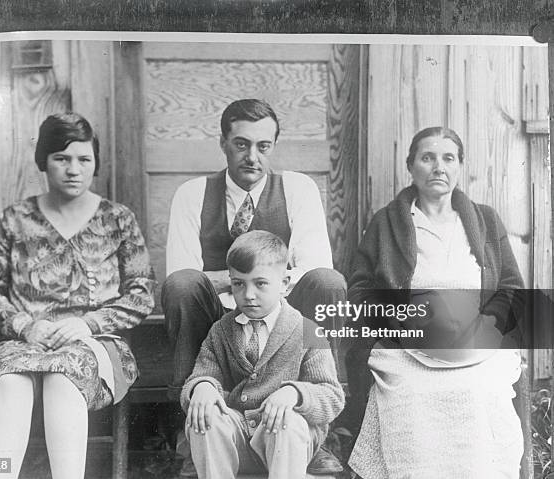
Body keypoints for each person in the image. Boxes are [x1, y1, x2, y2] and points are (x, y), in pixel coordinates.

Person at [163, 99, 346, 474]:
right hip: (217, 320)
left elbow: (314, 267)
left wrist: (257, 286)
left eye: (263, 146)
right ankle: (193, 422)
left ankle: (320, 432)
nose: (252, 156)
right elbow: (183, 273)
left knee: (328, 283)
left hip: (283, 318)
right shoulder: (193, 193)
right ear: (223, 143)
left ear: (273, 147)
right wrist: (257, 280)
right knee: (182, 286)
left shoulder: (297, 188)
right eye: (241, 144)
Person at [0, 113, 156, 479]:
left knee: (62, 377)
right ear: (44, 161)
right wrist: (25, 325)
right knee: (9, 378)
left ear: (95, 163)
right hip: (25, 340)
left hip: (95, 342)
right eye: (61, 158)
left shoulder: (117, 219)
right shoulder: (15, 219)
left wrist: (87, 323)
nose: (74, 169)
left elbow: (141, 292)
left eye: (84, 159)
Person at [346, 127, 525, 478]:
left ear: (460, 166)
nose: (438, 167)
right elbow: (360, 289)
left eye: (448, 158)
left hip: (477, 347)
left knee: (479, 392)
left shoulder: (484, 220)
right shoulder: (387, 222)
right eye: (428, 158)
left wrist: (488, 324)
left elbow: (511, 287)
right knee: (410, 395)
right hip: (407, 347)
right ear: (411, 165)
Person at [181, 230, 345, 479]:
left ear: (284, 284)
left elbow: (332, 396)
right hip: (237, 439)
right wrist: (202, 386)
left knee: (287, 421)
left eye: (260, 283)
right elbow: (203, 373)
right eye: (238, 283)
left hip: (286, 443)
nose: (248, 295)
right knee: (206, 413)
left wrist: (295, 393)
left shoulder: (308, 330)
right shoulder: (221, 330)